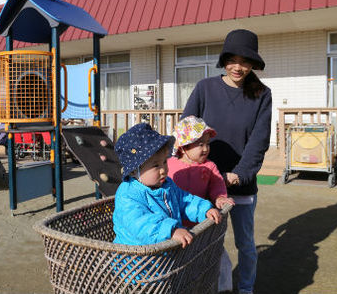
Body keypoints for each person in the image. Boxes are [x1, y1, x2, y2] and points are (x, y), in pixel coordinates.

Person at [182, 29, 272, 294]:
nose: (238, 67)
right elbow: (187, 129)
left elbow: (259, 142)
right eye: (232, 59)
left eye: (245, 61)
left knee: (245, 243)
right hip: (202, 183)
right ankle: (207, 286)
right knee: (203, 241)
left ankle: (245, 289)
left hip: (239, 184)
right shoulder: (205, 88)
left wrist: (238, 174)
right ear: (224, 60)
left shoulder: (261, 95)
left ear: (253, 63)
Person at [112, 123, 222, 248]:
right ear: (133, 171)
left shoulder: (166, 184)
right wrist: (170, 231)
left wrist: (204, 209)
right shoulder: (128, 194)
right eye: (155, 165)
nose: (163, 169)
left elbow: (184, 200)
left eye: (164, 162)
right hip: (135, 260)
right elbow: (140, 223)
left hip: (164, 252)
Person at [167, 115, 235, 292]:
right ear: (183, 146)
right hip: (177, 226)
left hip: (202, 224)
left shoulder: (209, 166)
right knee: (182, 267)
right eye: (200, 144)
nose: (205, 148)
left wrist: (219, 197)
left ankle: (222, 289)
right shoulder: (169, 166)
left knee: (219, 260)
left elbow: (217, 184)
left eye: (207, 143)